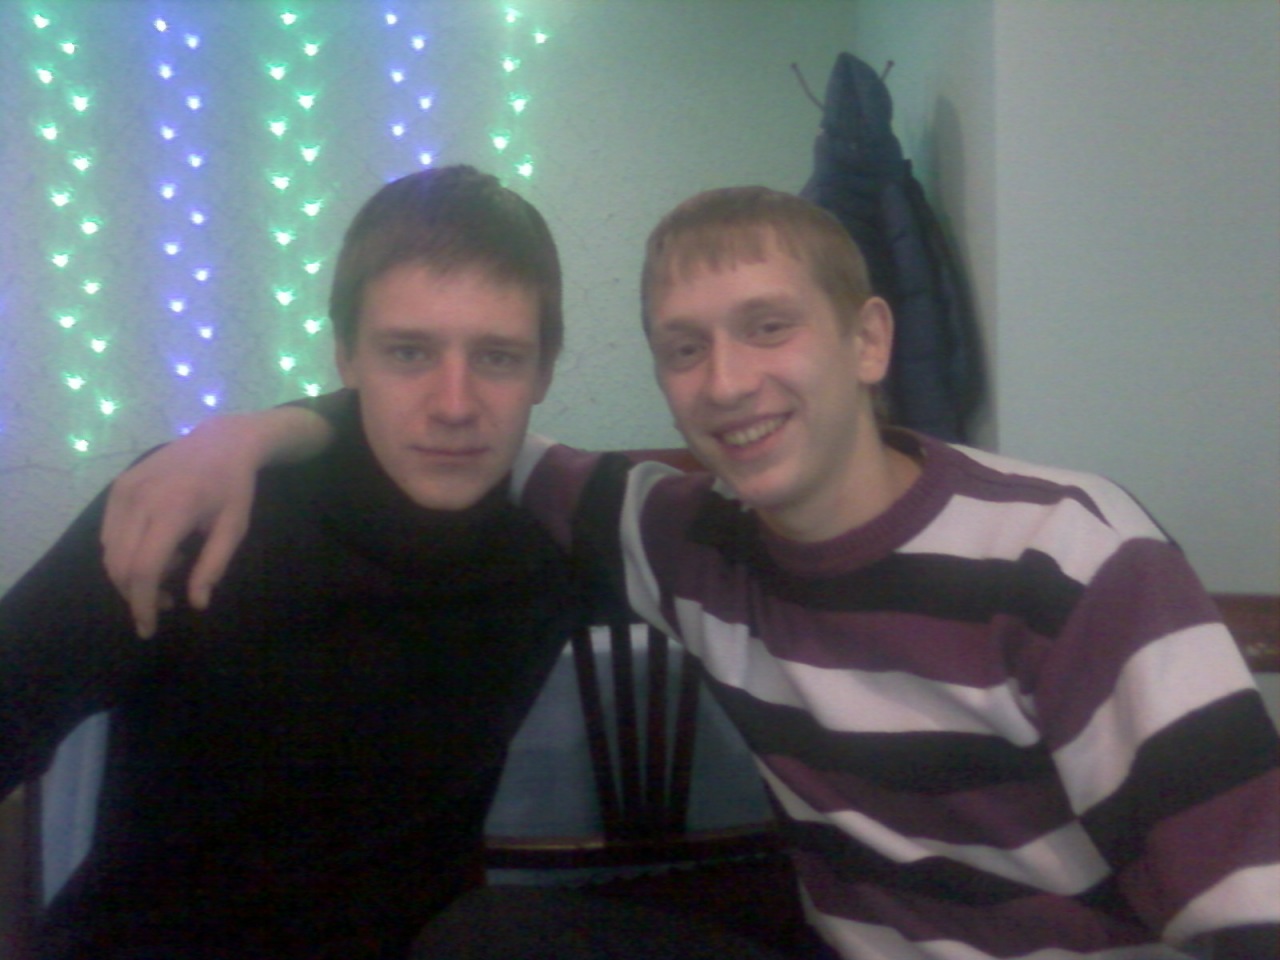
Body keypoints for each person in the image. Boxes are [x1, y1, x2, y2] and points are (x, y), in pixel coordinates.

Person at [100, 186, 1280, 960]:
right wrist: (249, 434)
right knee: (487, 943)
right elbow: (455, 422)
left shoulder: (1063, 552)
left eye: (767, 327)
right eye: (683, 348)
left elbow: (1250, 910)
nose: (724, 382)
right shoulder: (687, 538)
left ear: (867, 339)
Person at [1, 164, 588, 959]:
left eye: (497, 358)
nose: (454, 405)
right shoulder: (197, 511)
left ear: (543, 370)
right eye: (408, 352)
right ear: (346, 356)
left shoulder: (552, 548)